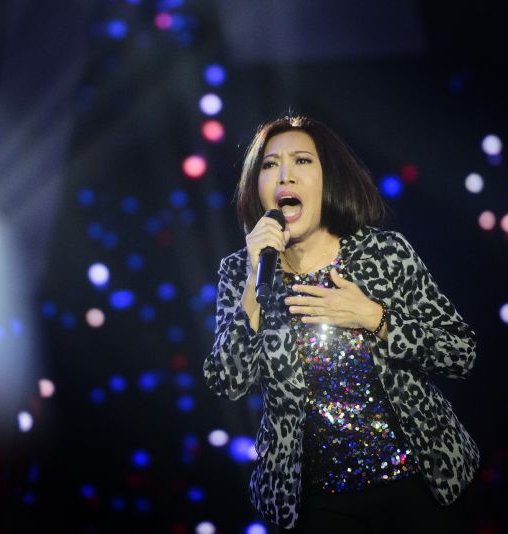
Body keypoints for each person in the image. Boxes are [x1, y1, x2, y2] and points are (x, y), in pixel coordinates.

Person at [203, 115, 478, 533]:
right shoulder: (240, 273)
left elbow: (461, 353)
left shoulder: (385, 253)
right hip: (316, 502)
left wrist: (373, 317)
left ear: (328, 178)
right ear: (256, 186)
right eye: (270, 165)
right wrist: (253, 284)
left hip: (419, 484)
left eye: (302, 161)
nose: (285, 175)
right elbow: (228, 382)